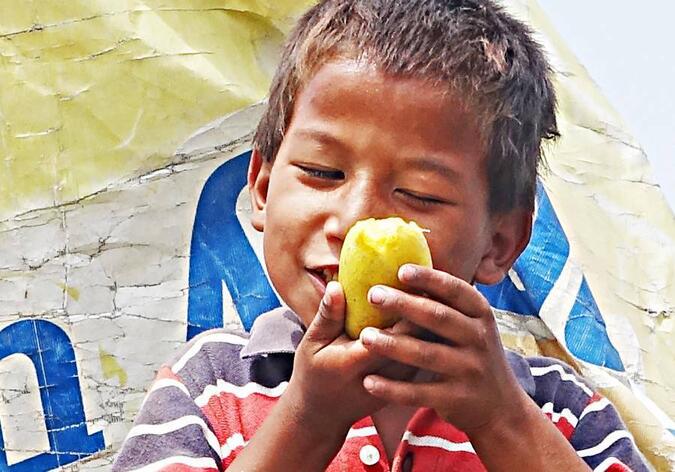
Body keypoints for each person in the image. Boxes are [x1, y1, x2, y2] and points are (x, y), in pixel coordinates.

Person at [113, 0, 648, 470]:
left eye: (420, 195)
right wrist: (307, 421)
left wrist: (501, 419)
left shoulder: (561, 411)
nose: (354, 222)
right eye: (322, 172)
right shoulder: (210, 385)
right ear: (262, 186)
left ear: (500, 243)